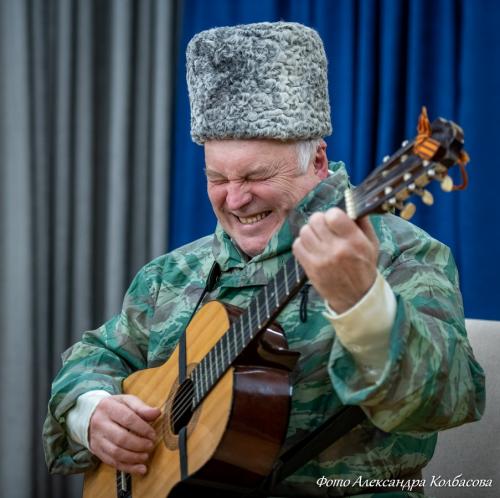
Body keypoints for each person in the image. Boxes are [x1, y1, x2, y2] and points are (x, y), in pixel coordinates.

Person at [43, 22, 485, 497]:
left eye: (256, 176)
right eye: (217, 178)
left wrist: (361, 300)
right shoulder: (168, 276)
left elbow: (447, 398)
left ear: (317, 161)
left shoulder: (401, 254)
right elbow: (98, 354)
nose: (235, 199)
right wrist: (91, 411)